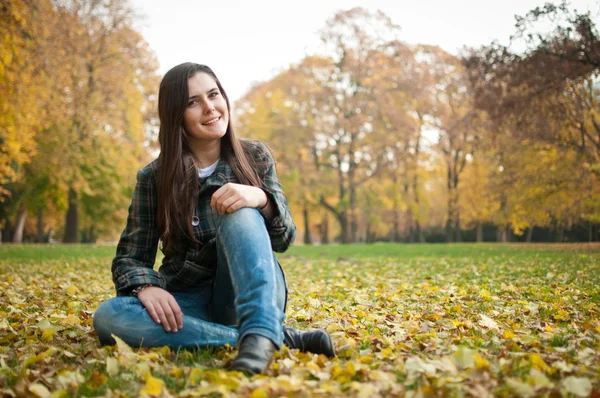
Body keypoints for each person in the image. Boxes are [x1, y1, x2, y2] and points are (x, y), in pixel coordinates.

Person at [92, 62, 335, 375]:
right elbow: (130, 258)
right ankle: (270, 338)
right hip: (185, 302)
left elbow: (284, 238)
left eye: (213, 95)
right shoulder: (154, 177)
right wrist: (144, 288)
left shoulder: (255, 157)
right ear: (176, 115)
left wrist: (260, 199)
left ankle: (258, 329)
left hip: (244, 296)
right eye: (193, 102)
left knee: (240, 211)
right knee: (109, 317)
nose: (210, 108)